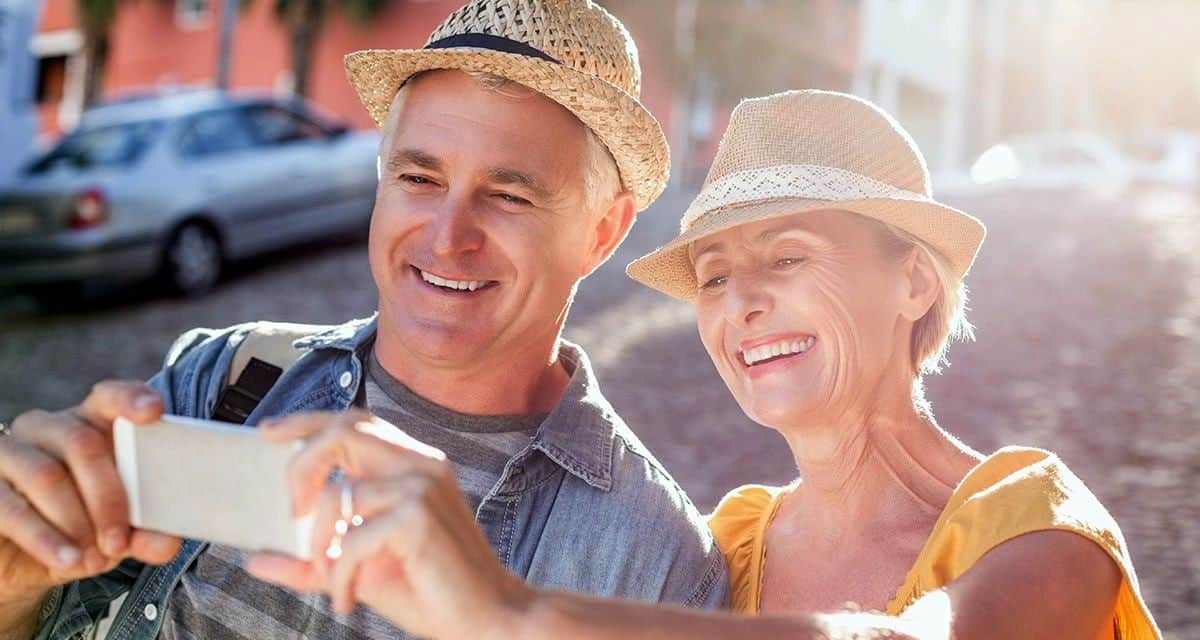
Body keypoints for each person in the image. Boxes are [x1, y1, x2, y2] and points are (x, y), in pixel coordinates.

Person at [248, 90, 1162, 640]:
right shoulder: (727, 547)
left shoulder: (1040, 524)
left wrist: (509, 614)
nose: (740, 304)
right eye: (716, 277)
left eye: (789, 256)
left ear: (914, 280)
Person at [0, 1, 731, 638]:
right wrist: (17, 587)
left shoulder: (658, 561)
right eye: (419, 178)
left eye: (509, 195)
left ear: (603, 232)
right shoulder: (227, 377)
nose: (447, 236)